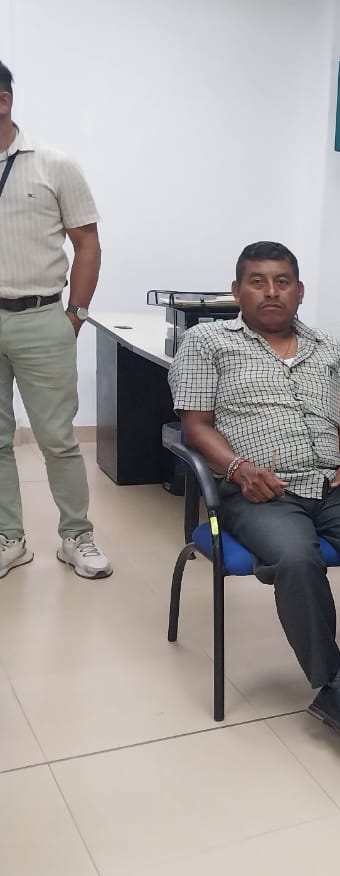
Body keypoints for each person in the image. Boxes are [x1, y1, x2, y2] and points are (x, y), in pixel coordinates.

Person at [168, 241, 340, 748]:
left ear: (299, 291)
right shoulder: (208, 342)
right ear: (237, 291)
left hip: (333, 483)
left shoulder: (326, 347)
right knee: (296, 557)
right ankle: (333, 680)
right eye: (257, 282)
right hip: (258, 489)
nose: (271, 292)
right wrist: (239, 469)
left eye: (282, 282)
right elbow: (195, 425)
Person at [0, 58, 111, 579]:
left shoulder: (53, 164)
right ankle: (10, 537)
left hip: (42, 316)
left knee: (58, 438)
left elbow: (87, 242)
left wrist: (76, 314)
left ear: (3, 102)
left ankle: (76, 537)